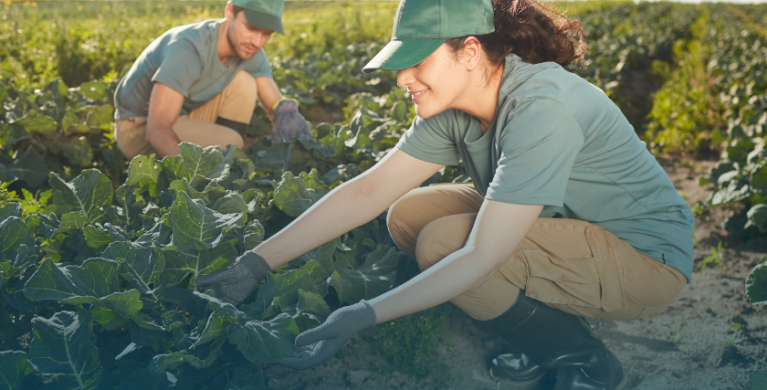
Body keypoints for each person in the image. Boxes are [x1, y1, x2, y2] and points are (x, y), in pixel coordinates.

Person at [197, 0, 694, 388]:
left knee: (446, 245)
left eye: (418, 62)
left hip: (644, 260)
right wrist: (252, 266)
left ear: (471, 52)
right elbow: (368, 190)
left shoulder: (542, 107)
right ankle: (555, 328)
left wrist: (361, 316)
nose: (403, 79)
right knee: (409, 213)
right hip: (573, 233)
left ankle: (585, 359)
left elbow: (480, 255)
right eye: (399, 64)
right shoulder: (458, 105)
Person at [112, 0, 310, 160]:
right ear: (230, 11)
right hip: (139, 128)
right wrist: (189, 179)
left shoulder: (250, 51)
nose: (257, 42)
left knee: (246, 82)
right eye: (251, 28)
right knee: (231, 142)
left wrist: (288, 118)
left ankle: (224, 161)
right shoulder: (188, 49)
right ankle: (218, 161)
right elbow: (156, 131)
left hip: (180, 116)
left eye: (267, 34)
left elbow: (273, 101)